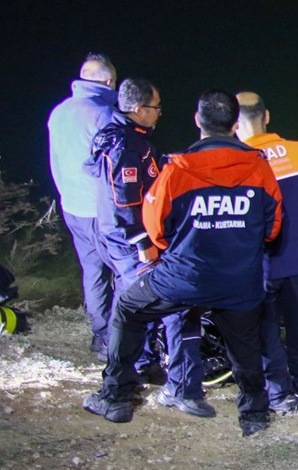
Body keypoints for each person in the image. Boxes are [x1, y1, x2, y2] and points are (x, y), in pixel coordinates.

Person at [83, 89, 283, 437]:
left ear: (197, 121)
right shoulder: (259, 168)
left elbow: (155, 228)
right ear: (235, 125)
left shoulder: (176, 169)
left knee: (129, 308)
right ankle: (254, 415)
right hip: (239, 281)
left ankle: (115, 397)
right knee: (246, 345)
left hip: (183, 278)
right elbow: (272, 228)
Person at [85, 78, 207, 413]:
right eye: (156, 107)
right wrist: (142, 243)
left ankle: (143, 366)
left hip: (123, 239)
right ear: (138, 109)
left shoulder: (129, 139)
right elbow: (124, 202)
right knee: (158, 304)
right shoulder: (125, 146)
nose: (159, 114)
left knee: (135, 305)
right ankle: (128, 388)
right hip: (131, 243)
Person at [236, 91, 298, 414]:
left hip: (256, 268)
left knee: (265, 332)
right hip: (297, 263)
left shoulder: (237, 162)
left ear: (235, 124)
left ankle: (280, 395)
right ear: (267, 116)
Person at [47, 53, 118, 358]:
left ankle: (99, 335)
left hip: (72, 206)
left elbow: (57, 161)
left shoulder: (59, 113)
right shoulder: (104, 115)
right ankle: (117, 339)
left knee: (93, 272)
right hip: (103, 210)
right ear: (108, 81)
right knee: (124, 272)